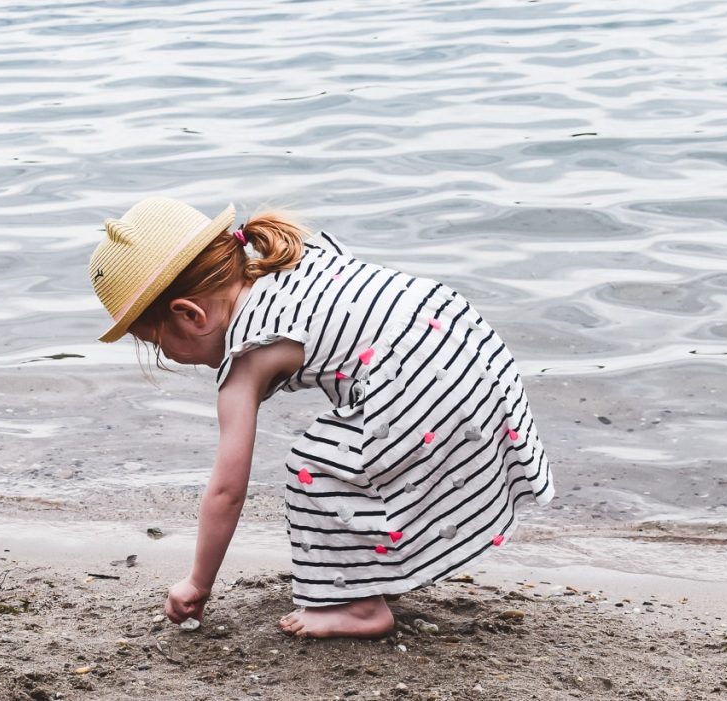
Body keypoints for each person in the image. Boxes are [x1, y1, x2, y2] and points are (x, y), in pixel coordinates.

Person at [89, 197, 554, 639]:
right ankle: (372, 575)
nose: (162, 356)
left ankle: (360, 608)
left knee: (314, 467)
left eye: (154, 342)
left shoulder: (249, 354)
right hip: (469, 348)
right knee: (361, 455)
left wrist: (197, 583)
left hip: (423, 383)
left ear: (189, 315)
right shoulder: (296, 258)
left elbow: (228, 491)